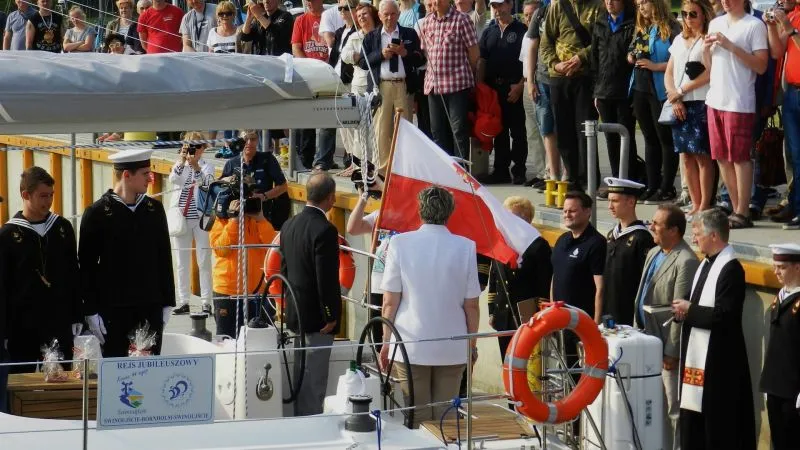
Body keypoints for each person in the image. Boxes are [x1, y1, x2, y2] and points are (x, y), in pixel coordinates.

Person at [379, 186, 481, 425]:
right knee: (446, 417)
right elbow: (472, 306)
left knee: (417, 416)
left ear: (420, 210)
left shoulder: (399, 243)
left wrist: (385, 343)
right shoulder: (466, 247)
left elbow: (389, 302)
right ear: (450, 212)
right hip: (453, 344)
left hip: (410, 342)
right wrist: (472, 345)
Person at [671, 208, 755, 449]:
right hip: (697, 361)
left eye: (697, 234)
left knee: (716, 429)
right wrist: (680, 310)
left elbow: (725, 316)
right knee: (693, 426)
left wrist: (689, 309)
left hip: (718, 364)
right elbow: (693, 301)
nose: (694, 239)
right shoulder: (705, 263)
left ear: (714, 236)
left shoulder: (731, 269)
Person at [79, 149, 176, 358]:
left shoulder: (154, 210)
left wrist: (168, 301)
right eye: (145, 174)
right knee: (117, 370)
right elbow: (86, 266)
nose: (150, 179)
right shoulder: (97, 213)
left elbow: (164, 257)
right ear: (126, 175)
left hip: (150, 307)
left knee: (150, 369)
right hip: (114, 310)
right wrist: (90, 311)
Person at [0, 167, 83, 374]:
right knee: (21, 384)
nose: (49, 201)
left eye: (51, 195)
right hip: (22, 327)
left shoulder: (62, 228)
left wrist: (77, 315)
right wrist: (4, 331)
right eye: (43, 196)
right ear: (25, 195)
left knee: (60, 382)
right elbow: (3, 286)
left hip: (58, 323)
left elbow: (74, 274)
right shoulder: (8, 235)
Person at [633, 204, 699, 450]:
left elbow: (678, 311)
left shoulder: (686, 261)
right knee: (649, 404)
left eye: (657, 224)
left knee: (673, 408)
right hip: (645, 340)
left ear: (673, 230)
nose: (651, 227)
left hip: (666, 349)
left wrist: (672, 351)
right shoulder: (654, 252)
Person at [702, 0, 768, 229]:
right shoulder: (716, 23)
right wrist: (705, 50)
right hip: (715, 99)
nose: (725, 1)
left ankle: (743, 210)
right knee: (721, 156)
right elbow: (710, 67)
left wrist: (731, 46)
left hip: (738, 101)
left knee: (739, 157)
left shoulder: (754, 25)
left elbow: (761, 66)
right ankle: (735, 206)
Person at [280, 173, 340, 416]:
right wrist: (330, 315)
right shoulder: (325, 230)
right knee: (314, 380)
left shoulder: (288, 225)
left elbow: (284, 270)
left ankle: (299, 421)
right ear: (330, 197)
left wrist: (287, 307)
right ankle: (311, 423)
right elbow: (326, 278)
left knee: (299, 375)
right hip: (318, 319)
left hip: (296, 312)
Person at [540, 0, 603, 190]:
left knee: (585, 131)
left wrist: (581, 57)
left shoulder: (598, 6)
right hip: (559, 78)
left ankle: (589, 179)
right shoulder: (557, 6)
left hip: (585, 77)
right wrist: (555, 64)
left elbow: (602, 39)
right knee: (564, 132)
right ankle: (572, 177)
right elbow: (546, 42)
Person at [359, 0, 424, 174]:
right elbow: (363, 63)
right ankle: (382, 171)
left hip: (403, 86)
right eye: (386, 14)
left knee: (405, 129)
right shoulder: (371, 37)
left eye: (393, 14)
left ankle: (404, 170)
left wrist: (405, 53)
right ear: (379, 16)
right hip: (382, 87)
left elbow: (420, 59)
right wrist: (380, 55)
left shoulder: (409, 33)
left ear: (399, 14)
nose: (389, 18)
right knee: (381, 130)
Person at [664, 0, 714, 217]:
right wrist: (674, 98)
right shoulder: (678, 39)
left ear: (704, 14)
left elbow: (710, 72)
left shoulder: (708, 39)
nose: (688, 18)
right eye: (684, 14)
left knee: (702, 155)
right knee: (685, 155)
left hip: (700, 100)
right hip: (679, 102)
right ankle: (695, 202)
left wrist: (681, 90)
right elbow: (669, 72)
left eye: (693, 14)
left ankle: (704, 204)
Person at [486, 196, 552, 357]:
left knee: (526, 363)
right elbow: (495, 279)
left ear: (527, 220)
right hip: (503, 316)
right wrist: (492, 311)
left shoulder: (538, 246)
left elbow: (544, 284)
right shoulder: (501, 243)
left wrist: (540, 316)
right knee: (506, 361)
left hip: (526, 317)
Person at [629, 0, 680, 203]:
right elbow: (632, 50)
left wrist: (655, 66)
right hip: (640, 87)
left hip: (660, 89)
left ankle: (667, 187)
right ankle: (652, 184)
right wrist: (631, 56)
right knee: (649, 138)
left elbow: (679, 60)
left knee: (665, 139)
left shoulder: (671, 27)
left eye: (645, 2)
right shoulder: (642, 27)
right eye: (638, 4)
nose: (641, 7)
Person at [419, 0, 479, 159]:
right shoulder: (427, 22)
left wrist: (466, 73)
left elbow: (474, 54)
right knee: (437, 131)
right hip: (433, 85)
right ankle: (443, 170)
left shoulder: (462, 20)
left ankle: (461, 171)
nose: (436, 1)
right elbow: (425, 51)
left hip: (457, 84)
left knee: (459, 131)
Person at [477, 0, 528, 185]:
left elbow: (529, 60)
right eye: (494, 6)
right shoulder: (488, 31)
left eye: (500, 5)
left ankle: (519, 170)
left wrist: (521, 85)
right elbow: (482, 60)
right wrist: (479, 87)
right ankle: (501, 170)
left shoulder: (521, 30)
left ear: (509, 5)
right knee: (499, 130)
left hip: (514, 87)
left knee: (518, 132)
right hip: (493, 89)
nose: (497, 9)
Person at [209, 198, 276, 338]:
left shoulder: (259, 222)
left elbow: (272, 247)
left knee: (260, 340)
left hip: (258, 291)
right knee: (226, 340)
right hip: (227, 291)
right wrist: (234, 220)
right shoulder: (222, 219)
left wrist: (261, 219)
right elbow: (221, 250)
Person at [590, 0, 640, 182]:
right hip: (604, 91)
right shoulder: (600, 23)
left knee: (627, 136)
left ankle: (629, 180)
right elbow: (594, 59)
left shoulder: (633, 24)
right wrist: (596, 91)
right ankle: (616, 179)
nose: (610, 2)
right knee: (610, 138)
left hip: (625, 91)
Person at [169, 132, 216, 316]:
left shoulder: (207, 166)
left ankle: (206, 302)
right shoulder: (179, 165)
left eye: (197, 146)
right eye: (190, 146)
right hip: (181, 217)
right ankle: (184, 301)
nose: (193, 150)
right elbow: (173, 179)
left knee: (203, 260)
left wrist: (196, 166)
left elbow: (207, 183)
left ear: (203, 148)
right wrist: (182, 161)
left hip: (200, 216)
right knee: (181, 261)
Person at [759, 243, 800, 450]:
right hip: (775, 386)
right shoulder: (782, 296)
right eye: (775, 266)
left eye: (782, 267)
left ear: (797, 267)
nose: (776, 272)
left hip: (793, 391)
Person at [291, 0, 337, 171]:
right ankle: (305, 159)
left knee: (328, 118)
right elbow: (296, 48)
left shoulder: (331, 17)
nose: (309, 2)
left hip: (329, 73)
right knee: (306, 118)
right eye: (306, 0)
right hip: (308, 75)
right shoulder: (300, 20)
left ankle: (324, 160)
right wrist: (310, 68)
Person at [602, 177, 655, 326]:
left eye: (615, 201)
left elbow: (646, 281)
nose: (610, 206)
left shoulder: (642, 238)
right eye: (609, 200)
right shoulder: (612, 235)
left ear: (631, 202)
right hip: (608, 311)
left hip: (628, 315)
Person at [767, 1, 800, 229]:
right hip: (791, 93)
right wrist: (772, 27)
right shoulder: (794, 14)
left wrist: (790, 30)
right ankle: (796, 206)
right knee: (795, 157)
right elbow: (777, 52)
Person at [551, 191, 606, 323]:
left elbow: (600, 288)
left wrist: (596, 325)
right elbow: (555, 276)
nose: (567, 215)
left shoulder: (596, 243)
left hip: (581, 322)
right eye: (565, 211)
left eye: (572, 211)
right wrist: (552, 311)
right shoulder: (562, 239)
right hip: (559, 318)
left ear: (587, 211)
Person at [221, 130, 289, 230]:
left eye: (252, 139)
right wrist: (230, 180)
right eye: (245, 139)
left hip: (263, 217)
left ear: (257, 140)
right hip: (239, 219)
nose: (249, 143)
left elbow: (283, 187)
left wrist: (263, 196)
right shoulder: (231, 163)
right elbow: (221, 185)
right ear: (240, 141)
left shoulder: (267, 159)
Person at [525, 0, 561, 189]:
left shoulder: (571, 10)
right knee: (547, 129)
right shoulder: (540, 14)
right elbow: (532, 48)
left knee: (564, 128)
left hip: (565, 79)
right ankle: (553, 175)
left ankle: (568, 175)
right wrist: (531, 81)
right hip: (543, 79)